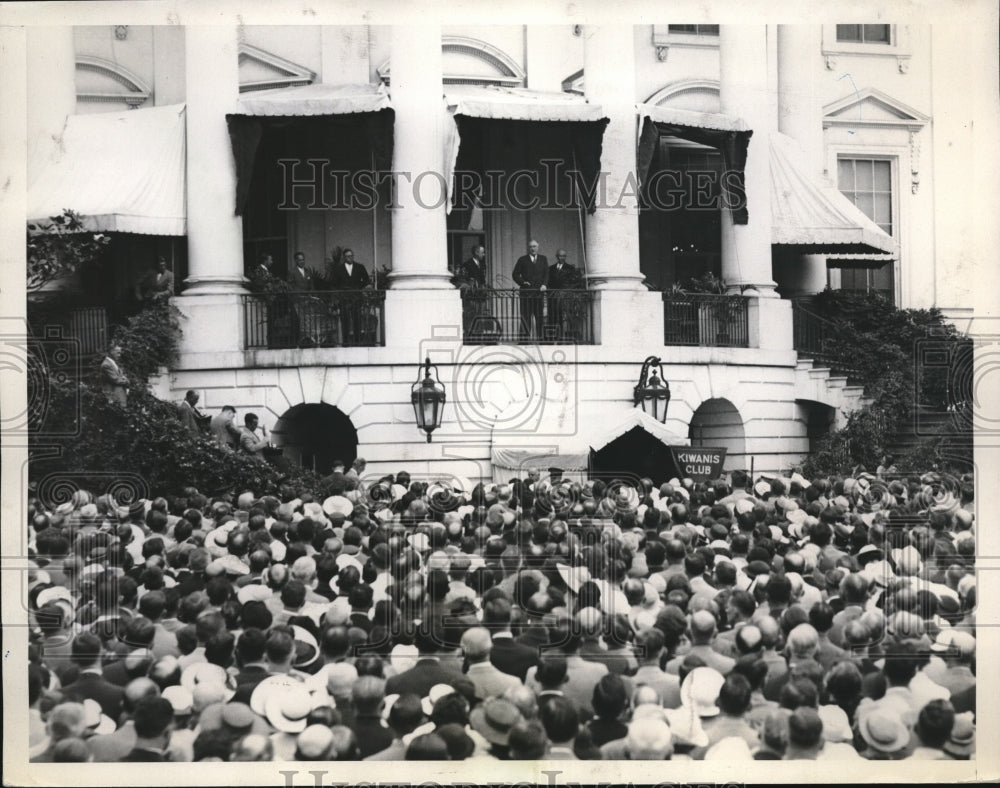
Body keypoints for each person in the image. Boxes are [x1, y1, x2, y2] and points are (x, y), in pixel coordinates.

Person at [329, 249, 372, 345]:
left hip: (356, 297)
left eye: (351, 256)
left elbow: (366, 280)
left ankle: (357, 341)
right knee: (345, 320)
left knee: (357, 319)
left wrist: (359, 288)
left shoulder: (360, 267)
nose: (350, 258)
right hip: (344, 298)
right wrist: (339, 293)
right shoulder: (338, 269)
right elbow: (333, 284)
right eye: (348, 256)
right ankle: (346, 342)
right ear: (344, 257)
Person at [512, 240, 548, 340]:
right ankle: (524, 340)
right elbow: (515, 274)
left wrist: (544, 284)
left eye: (535, 246)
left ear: (538, 247)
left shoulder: (543, 259)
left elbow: (546, 274)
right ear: (528, 248)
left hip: (538, 293)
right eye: (531, 247)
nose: (533, 248)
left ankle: (541, 340)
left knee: (539, 318)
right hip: (526, 293)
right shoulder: (522, 259)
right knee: (525, 317)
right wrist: (522, 282)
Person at [546, 249, 579, 340]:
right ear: (557, 256)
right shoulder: (551, 268)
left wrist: (566, 291)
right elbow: (548, 282)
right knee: (552, 316)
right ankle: (551, 338)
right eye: (560, 256)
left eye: (564, 256)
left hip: (564, 297)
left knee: (562, 317)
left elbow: (574, 282)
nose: (562, 258)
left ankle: (561, 338)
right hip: (552, 297)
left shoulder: (570, 268)